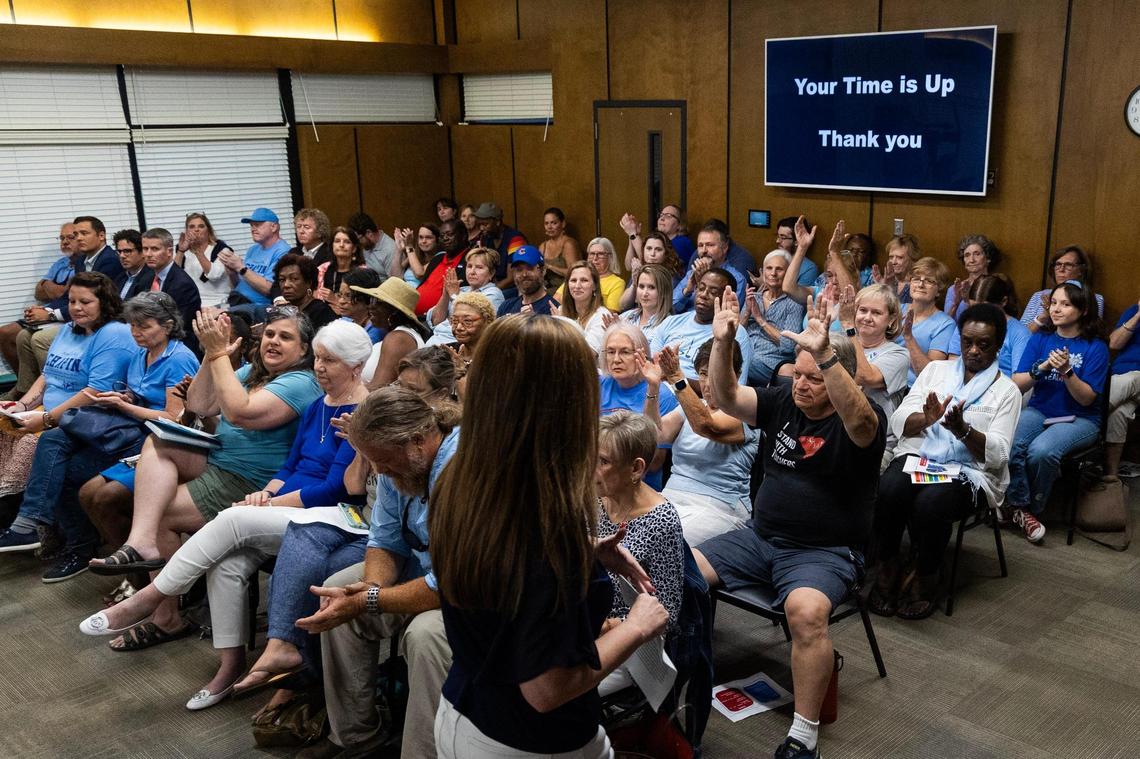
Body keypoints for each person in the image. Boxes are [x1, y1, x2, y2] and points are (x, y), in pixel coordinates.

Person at [78, 321, 369, 706]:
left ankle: (149, 597)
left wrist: (270, 502)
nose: (318, 367)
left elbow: (339, 489)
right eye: (317, 358)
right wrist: (265, 492)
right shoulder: (320, 404)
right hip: (290, 505)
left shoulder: (364, 410)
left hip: (329, 515)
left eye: (329, 361)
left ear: (356, 367)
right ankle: (229, 667)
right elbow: (290, 466)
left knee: (230, 519)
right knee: (227, 563)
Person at [430, 314, 667, 758]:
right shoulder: (546, 527)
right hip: (529, 741)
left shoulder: (463, 477)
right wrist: (637, 627)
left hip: (463, 710)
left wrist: (586, 554)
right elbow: (547, 688)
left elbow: (504, 581)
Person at [695, 291, 886, 759]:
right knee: (678, 572)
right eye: (796, 374)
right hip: (759, 540)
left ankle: (803, 737)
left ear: (836, 375)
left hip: (824, 551)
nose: (800, 385)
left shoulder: (864, 419)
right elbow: (725, 397)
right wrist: (723, 342)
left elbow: (860, 423)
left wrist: (825, 354)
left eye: (813, 377)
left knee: (806, 615)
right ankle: (681, 679)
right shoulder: (783, 400)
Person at [282, 386, 460, 759]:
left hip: (469, 591)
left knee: (426, 637)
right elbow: (385, 538)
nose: (378, 471)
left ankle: (421, 753)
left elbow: (452, 583)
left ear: (418, 440)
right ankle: (357, 739)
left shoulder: (461, 468)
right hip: (422, 570)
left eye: (384, 461)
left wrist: (371, 600)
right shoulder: (401, 464)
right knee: (338, 592)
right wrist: (370, 585)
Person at [86, 307, 321, 587]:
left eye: (286, 337)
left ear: (304, 348)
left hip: (252, 480)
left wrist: (219, 353)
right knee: (160, 441)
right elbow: (199, 405)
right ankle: (141, 543)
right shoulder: (254, 372)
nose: (273, 341)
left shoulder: (302, 381)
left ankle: (164, 614)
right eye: (269, 334)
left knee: (159, 511)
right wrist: (211, 355)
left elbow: (238, 413)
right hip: (220, 461)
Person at [17, 293, 200, 582]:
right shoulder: (142, 353)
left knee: (101, 497)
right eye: (133, 325)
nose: (136, 333)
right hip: (132, 431)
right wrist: (124, 396)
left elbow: (176, 419)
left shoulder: (177, 358)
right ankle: (118, 566)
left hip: (163, 442)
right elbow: (140, 395)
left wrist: (125, 405)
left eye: (144, 326)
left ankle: (139, 575)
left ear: (167, 326)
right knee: (65, 467)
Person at [870, 304, 1022, 619]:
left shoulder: (1006, 391)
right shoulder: (936, 372)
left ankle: (926, 574)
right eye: (967, 341)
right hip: (920, 456)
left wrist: (963, 430)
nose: (974, 350)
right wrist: (925, 418)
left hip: (971, 472)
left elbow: (998, 454)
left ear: (998, 345)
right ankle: (887, 564)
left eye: (984, 344)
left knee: (931, 505)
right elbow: (898, 420)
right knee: (889, 489)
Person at [0, 272, 135, 550]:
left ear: (105, 303)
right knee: (4, 429)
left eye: (85, 301)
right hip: (49, 411)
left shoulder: (113, 333)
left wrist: (47, 418)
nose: (76, 307)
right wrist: (22, 405)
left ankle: (36, 529)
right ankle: (13, 520)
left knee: (31, 443)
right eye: (72, 301)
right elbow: (48, 375)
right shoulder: (68, 329)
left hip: (90, 417)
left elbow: (93, 393)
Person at [1008, 281, 1108, 543]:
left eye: (1066, 304)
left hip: (1081, 419)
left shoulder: (1095, 346)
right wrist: (1040, 369)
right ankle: (1019, 506)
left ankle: (1032, 510)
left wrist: (1066, 372)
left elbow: (1087, 399)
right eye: (1054, 303)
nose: (1057, 309)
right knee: (1010, 441)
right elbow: (1017, 385)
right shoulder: (1040, 339)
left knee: (1040, 451)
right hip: (1041, 410)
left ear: (1083, 309)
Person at [595, 410, 684, 697]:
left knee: (557, 688)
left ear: (635, 468)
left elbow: (666, 613)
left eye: (603, 462)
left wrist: (607, 626)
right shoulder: (595, 497)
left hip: (627, 639)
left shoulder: (661, 521)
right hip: (585, 618)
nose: (590, 469)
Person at [642, 339, 759, 546]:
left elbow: (707, 426)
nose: (708, 382)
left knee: (657, 541)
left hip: (719, 508)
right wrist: (653, 386)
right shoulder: (692, 406)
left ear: (737, 375)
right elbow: (655, 435)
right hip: (671, 499)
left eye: (716, 373)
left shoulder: (747, 410)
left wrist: (677, 378)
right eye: (703, 373)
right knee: (620, 528)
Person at [598, 322, 679, 489]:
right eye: (611, 352)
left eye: (625, 352)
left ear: (642, 354)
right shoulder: (598, 385)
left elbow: (654, 462)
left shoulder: (662, 395)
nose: (616, 359)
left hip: (638, 486)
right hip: (596, 479)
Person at [651, 268, 752, 385]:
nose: (703, 295)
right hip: (656, 389)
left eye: (713, 292)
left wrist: (675, 378)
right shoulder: (672, 321)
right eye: (701, 288)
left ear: (727, 298)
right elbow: (652, 364)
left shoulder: (735, 333)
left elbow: (734, 389)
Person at [0, 222, 76, 375]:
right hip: (51, 310)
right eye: (61, 238)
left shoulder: (85, 266)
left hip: (67, 314)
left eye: (70, 237)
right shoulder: (60, 263)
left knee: (35, 338)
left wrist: (47, 285)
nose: (65, 242)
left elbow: (63, 295)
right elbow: (38, 293)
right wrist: (48, 286)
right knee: (4, 333)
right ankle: (25, 385)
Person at [837, 283, 910, 419]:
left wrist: (849, 326)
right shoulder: (843, 342)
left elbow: (865, 376)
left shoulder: (899, 354)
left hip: (875, 433)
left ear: (891, 319)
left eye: (876, 313)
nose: (867, 318)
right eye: (863, 310)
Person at [351, 277, 432, 389]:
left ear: (393, 310)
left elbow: (379, 389)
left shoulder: (399, 339)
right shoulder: (398, 335)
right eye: (371, 300)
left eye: (377, 302)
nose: (370, 306)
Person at [742, 250, 805, 386]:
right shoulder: (755, 297)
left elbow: (789, 346)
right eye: (769, 268)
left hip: (770, 361)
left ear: (789, 273)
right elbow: (737, 332)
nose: (773, 273)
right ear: (763, 271)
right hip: (746, 352)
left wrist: (761, 320)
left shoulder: (794, 302)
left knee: (741, 363)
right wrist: (747, 312)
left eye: (779, 269)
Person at [141, 228, 203, 355]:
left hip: (178, 347)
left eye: (154, 249)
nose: (148, 254)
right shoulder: (146, 277)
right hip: (150, 341)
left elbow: (178, 327)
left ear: (169, 251)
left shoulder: (182, 284)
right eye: (145, 249)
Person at [220, 207, 291, 318]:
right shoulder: (253, 249)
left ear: (273, 227)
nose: (253, 229)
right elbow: (238, 284)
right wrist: (232, 272)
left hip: (258, 306)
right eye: (252, 225)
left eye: (258, 225)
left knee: (214, 317)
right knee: (203, 313)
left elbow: (269, 289)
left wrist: (241, 268)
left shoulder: (283, 252)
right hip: (237, 299)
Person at [899, 257, 960, 385]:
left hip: (910, 388)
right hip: (882, 378)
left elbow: (930, 375)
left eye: (929, 281)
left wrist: (909, 337)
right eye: (916, 279)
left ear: (939, 290)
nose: (921, 285)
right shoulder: (896, 309)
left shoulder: (945, 324)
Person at [427, 247, 504, 345]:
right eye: (469, 266)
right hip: (436, 339)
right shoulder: (461, 290)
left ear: (491, 273)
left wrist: (454, 295)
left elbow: (471, 324)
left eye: (479, 267)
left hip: (458, 343)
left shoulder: (494, 294)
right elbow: (436, 321)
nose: (472, 272)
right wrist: (445, 294)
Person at [1021, 245, 1105, 330]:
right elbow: (1020, 336)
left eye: (1068, 265)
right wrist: (1043, 317)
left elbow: (1091, 332)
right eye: (1058, 264)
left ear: (1081, 270)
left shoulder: (1093, 298)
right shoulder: (1039, 296)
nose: (1061, 269)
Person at [672, 223, 747, 314]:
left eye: (710, 245)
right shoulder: (692, 273)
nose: (704, 250)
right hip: (682, 323)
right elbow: (671, 308)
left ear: (724, 248)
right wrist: (687, 290)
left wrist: (705, 279)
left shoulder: (736, 279)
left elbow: (727, 315)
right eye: (700, 245)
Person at [967, 274, 1029, 376]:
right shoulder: (968, 325)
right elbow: (955, 366)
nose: (978, 314)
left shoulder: (1019, 333)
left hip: (1001, 387)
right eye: (973, 307)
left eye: (985, 309)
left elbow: (1018, 380)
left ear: (1004, 301)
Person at [1106, 296, 1140, 478]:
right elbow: (1114, 343)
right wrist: (1138, 315)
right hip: (1118, 376)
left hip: (1133, 379)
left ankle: (1090, 416)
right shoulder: (1133, 311)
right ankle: (1111, 476)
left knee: (1131, 379)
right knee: (1117, 412)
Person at [175, 212, 235, 307]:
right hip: (191, 301)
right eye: (191, 227)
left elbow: (214, 275)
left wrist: (198, 251)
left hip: (217, 301)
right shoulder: (184, 251)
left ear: (208, 230)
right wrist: (181, 251)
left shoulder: (221, 249)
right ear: (186, 231)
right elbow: (174, 275)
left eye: (201, 226)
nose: (196, 230)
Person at [617, 231, 685, 311]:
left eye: (658, 250)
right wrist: (634, 284)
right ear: (643, 250)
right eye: (649, 248)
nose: (652, 254)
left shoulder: (672, 277)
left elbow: (668, 308)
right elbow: (623, 305)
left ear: (666, 253)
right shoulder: (640, 271)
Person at [414, 219, 469, 316]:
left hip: (439, 320)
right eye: (442, 236)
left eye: (450, 234)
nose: (445, 238)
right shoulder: (438, 258)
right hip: (413, 314)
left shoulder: (469, 261)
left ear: (463, 236)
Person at [558, 261, 612, 357]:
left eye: (584, 280)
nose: (577, 286)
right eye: (573, 280)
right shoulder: (561, 311)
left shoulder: (602, 316)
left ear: (595, 286)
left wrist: (564, 327)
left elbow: (586, 355)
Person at [272, 253, 338, 331]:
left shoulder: (322, 312)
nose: (286, 285)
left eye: (294, 279)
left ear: (309, 282)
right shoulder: (285, 311)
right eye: (282, 280)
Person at [621, 203, 695, 269]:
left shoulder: (683, 242)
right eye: (661, 215)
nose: (662, 218)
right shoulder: (654, 240)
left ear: (679, 224)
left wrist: (633, 234)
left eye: (668, 216)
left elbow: (650, 264)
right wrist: (632, 234)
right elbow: (629, 266)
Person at [944, 234, 1000, 320]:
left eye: (977, 254)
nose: (972, 260)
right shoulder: (954, 289)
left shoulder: (996, 287)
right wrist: (956, 304)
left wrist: (967, 302)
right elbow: (946, 323)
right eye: (967, 255)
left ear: (988, 258)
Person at [474, 202, 528, 289]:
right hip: (494, 286)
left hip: (515, 288)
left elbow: (512, 278)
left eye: (485, 224)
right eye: (479, 225)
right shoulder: (486, 237)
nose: (481, 228)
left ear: (498, 222)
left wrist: (490, 291)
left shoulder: (515, 239)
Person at [617, 263, 674, 345]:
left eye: (651, 287)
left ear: (664, 292)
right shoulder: (626, 316)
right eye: (641, 286)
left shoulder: (669, 325)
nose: (644, 293)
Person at [497, 246, 559, 316]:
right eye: (519, 270)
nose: (524, 274)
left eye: (530, 268)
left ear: (543, 271)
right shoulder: (506, 307)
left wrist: (532, 321)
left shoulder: (554, 310)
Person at [315, 226, 366, 302]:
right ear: (332, 246)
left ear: (354, 248)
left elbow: (363, 305)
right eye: (337, 241)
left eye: (347, 242)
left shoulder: (363, 273)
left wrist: (335, 300)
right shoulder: (322, 270)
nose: (341, 245)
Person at [334, 268, 384, 342]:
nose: (341, 301)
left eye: (348, 296)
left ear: (367, 299)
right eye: (340, 294)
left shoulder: (375, 332)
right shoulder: (345, 321)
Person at [538, 206, 581, 290]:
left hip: (566, 290)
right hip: (545, 290)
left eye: (554, 223)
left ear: (563, 223)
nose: (549, 227)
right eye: (546, 223)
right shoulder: (543, 246)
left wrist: (550, 267)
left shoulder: (569, 244)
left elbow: (575, 273)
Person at [348, 211, 398, 277]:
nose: (358, 243)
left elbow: (394, 282)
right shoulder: (368, 245)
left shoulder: (390, 250)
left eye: (358, 239)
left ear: (369, 233)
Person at [775, 215, 819, 287]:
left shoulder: (809, 269)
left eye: (783, 237)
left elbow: (798, 297)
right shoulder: (774, 259)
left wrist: (768, 286)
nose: (777, 241)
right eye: (778, 236)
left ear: (797, 241)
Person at [879, 234, 920, 304]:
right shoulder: (886, 281)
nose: (893, 262)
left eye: (900, 257)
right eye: (891, 257)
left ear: (912, 259)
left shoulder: (918, 286)